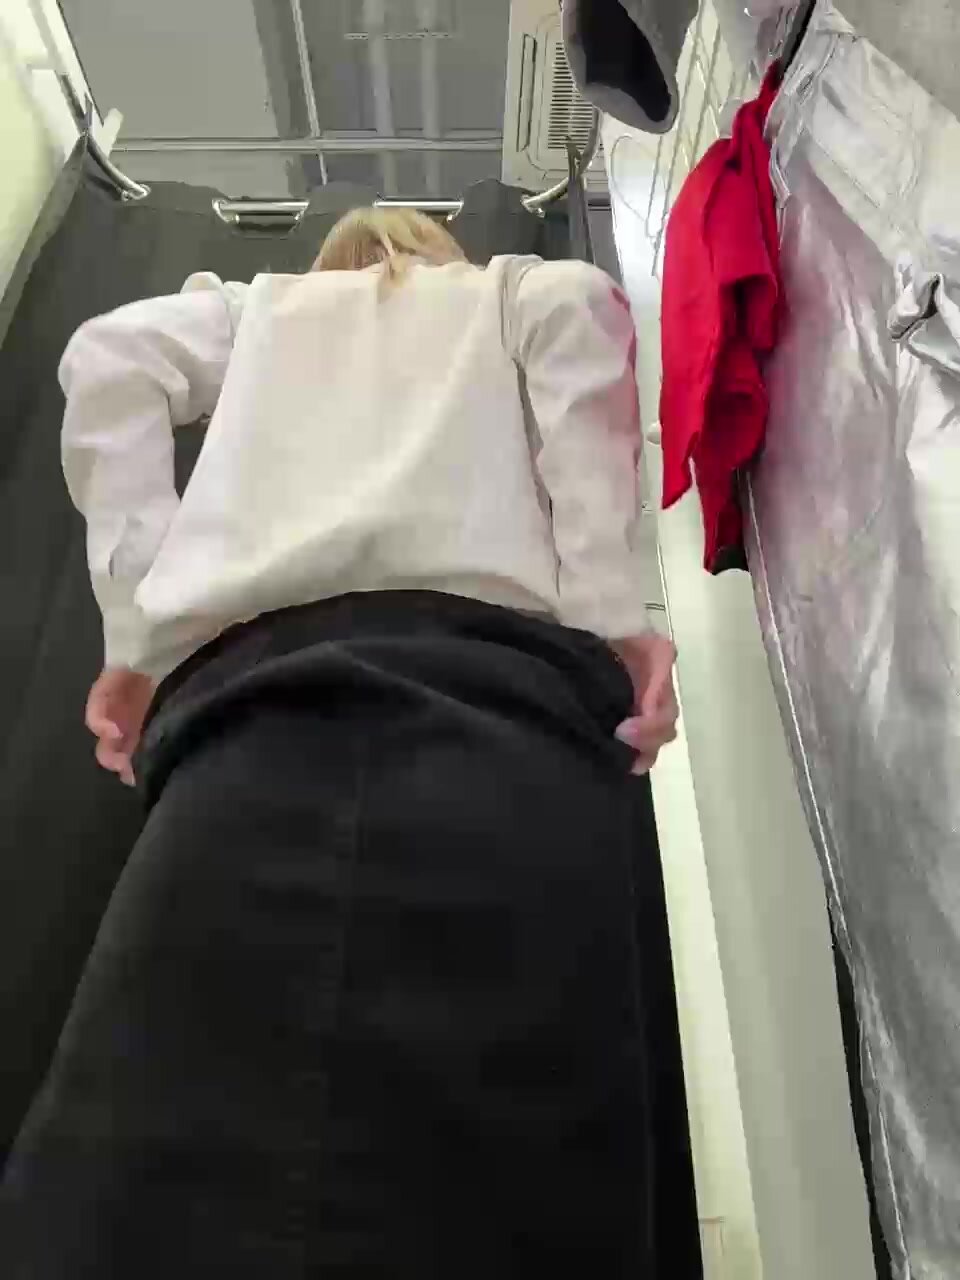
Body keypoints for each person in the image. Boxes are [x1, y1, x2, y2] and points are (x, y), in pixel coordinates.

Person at [2, 209, 693, 1276]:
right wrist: (611, 613)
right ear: (441, 254)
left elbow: (106, 356)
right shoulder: (504, 294)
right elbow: (580, 305)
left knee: (153, 1190)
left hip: (252, 747)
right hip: (502, 744)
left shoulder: (257, 318)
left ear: (326, 264)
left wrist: (141, 630)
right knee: (516, 1187)